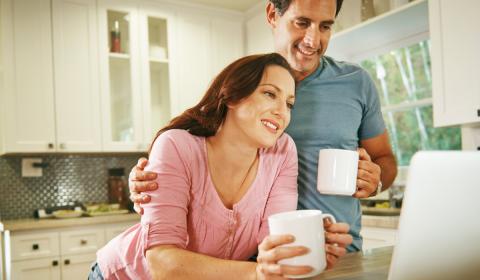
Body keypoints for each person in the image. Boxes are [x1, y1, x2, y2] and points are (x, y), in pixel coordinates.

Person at [129, 0, 397, 252]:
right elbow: (195, 150)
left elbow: (384, 159)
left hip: (339, 248)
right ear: (272, 14)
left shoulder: (356, 82)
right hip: (256, 256)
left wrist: (375, 181)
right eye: (302, 22)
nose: (313, 40)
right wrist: (152, 180)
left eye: (325, 26)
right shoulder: (246, 84)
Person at [90, 53, 352, 280]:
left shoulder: (282, 152)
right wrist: (258, 273)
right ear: (232, 96)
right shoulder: (178, 146)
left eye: (289, 103)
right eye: (270, 94)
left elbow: (270, 246)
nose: (282, 112)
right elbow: (161, 264)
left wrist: (307, 250)